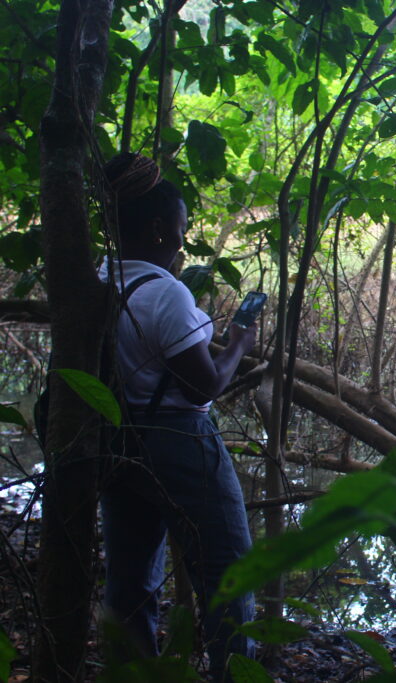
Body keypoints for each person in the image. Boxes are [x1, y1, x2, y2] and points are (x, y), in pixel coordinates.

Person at [98, 153, 257, 680]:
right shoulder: (166, 292)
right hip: (179, 441)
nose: (182, 243)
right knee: (228, 570)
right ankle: (235, 672)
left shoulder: (101, 277)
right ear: (157, 229)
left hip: (120, 438)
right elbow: (202, 385)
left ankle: (132, 673)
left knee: (130, 578)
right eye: (181, 230)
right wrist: (238, 343)